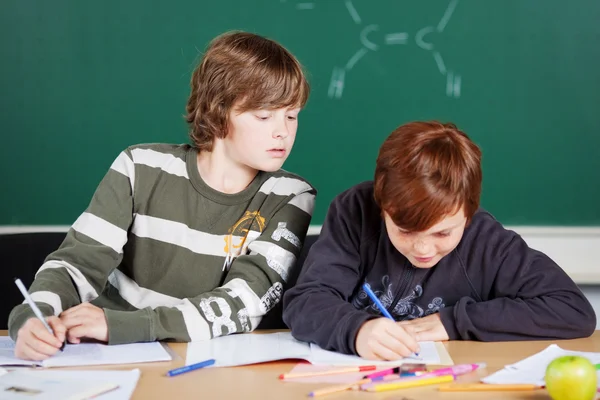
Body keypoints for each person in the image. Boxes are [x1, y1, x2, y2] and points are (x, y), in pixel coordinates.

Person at [10, 31, 316, 361]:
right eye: (264, 115)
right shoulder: (139, 166)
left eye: (292, 115)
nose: (283, 131)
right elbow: (78, 263)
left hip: (206, 363)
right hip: (103, 354)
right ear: (218, 110)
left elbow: (244, 302)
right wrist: (32, 317)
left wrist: (125, 325)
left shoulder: (290, 196)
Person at [282, 121, 595, 361]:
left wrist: (453, 322)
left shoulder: (487, 244)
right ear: (382, 205)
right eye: (404, 230)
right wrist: (356, 330)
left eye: (443, 233)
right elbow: (306, 301)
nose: (423, 249)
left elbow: (572, 310)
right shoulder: (355, 211)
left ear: (469, 213)